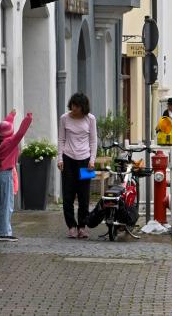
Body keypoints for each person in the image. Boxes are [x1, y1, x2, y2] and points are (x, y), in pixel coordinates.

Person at [0, 109, 33, 241]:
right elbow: (20, 133)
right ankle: (4, 233)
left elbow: (3, 126)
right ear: (10, 133)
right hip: (5, 174)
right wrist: (28, 119)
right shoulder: (10, 143)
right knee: (6, 204)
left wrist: (12, 115)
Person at [58, 92, 98, 239]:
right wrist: (59, 158)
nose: (74, 109)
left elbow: (93, 141)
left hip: (86, 160)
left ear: (83, 107)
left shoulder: (90, 119)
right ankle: (71, 226)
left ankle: (82, 226)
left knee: (84, 196)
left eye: (77, 107)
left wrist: (92, 160)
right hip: (68, 159)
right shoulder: (64, 118)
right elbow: (61, 140)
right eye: (73, 106)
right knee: (68, 195)